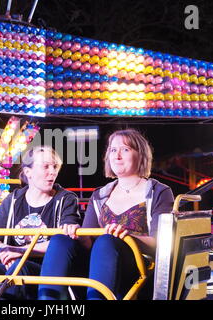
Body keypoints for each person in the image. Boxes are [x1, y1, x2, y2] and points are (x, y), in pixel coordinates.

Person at [38, 128, 174, 300]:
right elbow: (88, 241)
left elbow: (160, 244)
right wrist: (75, 233)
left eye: (125, 149)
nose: (117, 156)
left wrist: (126, 236)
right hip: (99, 263)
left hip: (138, 267)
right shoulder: (100, 195)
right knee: (60, 239)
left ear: (140, 155)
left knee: (107, 240)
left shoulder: (158, 192)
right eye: (113, 150)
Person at [0, 145, 81, 300]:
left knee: (20, 267)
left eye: (55, 167)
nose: (52, 172)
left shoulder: (65, 199)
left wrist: (19, 251)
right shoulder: (13, 200)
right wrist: (3, 249)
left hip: (45, 270)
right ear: (28, 172)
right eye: (46, 166)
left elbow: (63, 239)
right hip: (11, 264)